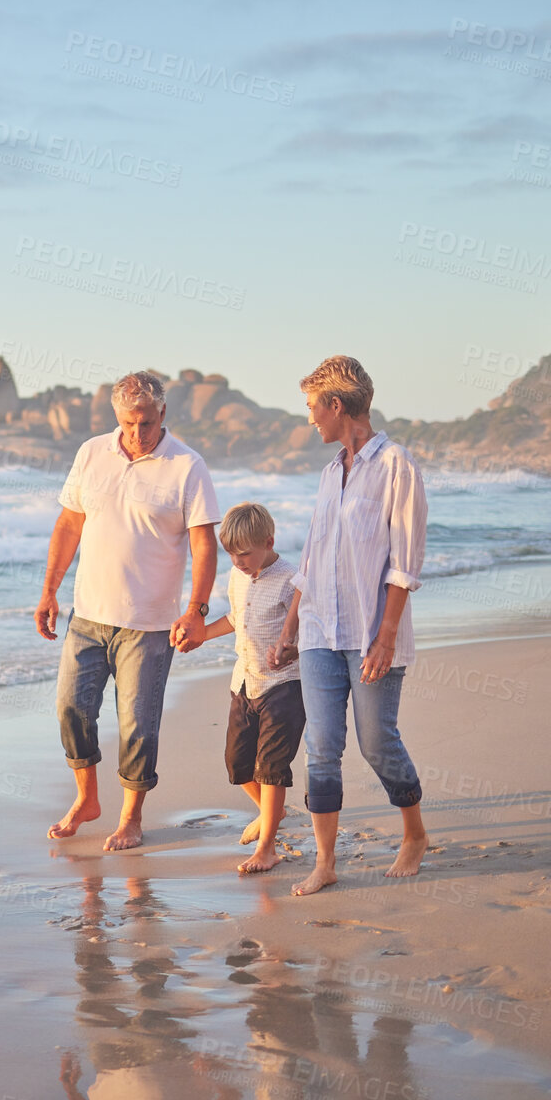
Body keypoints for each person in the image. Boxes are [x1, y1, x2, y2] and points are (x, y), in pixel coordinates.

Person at [36, 370, 221, 851]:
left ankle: (131, 818)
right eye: (127, 423)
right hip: (88, 617)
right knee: (71, 711)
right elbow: (69, 524)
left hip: (151, 624)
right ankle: (87, 800)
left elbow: (204, 546)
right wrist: (49, 591)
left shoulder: (187, 466)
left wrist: (197, 610)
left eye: (145, 422)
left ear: (163, 414)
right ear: (115, 416)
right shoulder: (92, 452)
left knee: (139, 724)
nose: (136, 434)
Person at [270, 355, 429, 896]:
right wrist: (291, 627)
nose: (310, 419)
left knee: (377, 742)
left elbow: (404, 563)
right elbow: (312, 559)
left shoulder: (395, 467)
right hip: (318, 633)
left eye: (313, 408)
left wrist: (385, 637)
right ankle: (326, 861)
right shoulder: (327, 474)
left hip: (368, 635)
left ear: (336, 406)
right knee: (321, 746)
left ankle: (414, 834)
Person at [199, 502, 305, 875]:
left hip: (283, 686)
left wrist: (291, 647)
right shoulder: (236, 575)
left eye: (244, 553)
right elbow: (234, 618)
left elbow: (307, 628)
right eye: (231, 554)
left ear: (269, 541)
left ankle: (267, 847)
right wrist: (202, 635)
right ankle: (270, 813)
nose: (238, 561)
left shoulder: (292, 579)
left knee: (271, 768)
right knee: (238, 764)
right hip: (243, 683)